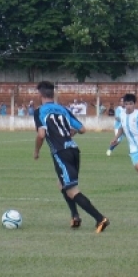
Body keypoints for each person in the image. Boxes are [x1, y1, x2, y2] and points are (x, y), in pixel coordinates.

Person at [33, 81, 109, 233]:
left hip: (61, 152)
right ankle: (75, 216)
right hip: (74, 150)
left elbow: (41, 134)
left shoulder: (39, 111)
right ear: (53, 94)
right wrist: (70, 132)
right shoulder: (63, 109)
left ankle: (100, 218)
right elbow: (82, 129)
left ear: (40, 95)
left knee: (72, 189)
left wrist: (36, 151)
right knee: (63, 185)